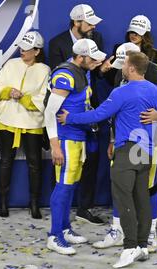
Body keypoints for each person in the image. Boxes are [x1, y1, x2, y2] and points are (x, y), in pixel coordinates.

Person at [57, 51, 157, 268]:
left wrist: (70, 117)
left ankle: (129, 248)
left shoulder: (122, 92)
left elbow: (98, 115)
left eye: (125, 64)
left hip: (126, 152)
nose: (122, 67)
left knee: (124, 199)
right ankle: (142, 246)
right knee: (142, 198)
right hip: (146, 152)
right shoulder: (156, 91)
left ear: (132, 69)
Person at [92, 42, 157, 253]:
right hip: (124, 141)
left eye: (122, 64)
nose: (120, 69)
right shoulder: (122, 73)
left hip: (148, 141)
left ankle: (150, 233)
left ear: (131, 63)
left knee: (148, 188)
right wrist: (112, 140)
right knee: (121, 187)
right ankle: (117, 230)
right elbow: (118, 110)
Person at [49, 3, 111, 225]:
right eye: (89, 23)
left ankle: (73, 219)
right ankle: (58, 231)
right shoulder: (64, 66)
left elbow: (95, 75)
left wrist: (101, 70)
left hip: (86, 116)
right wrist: (55, 144)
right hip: (68, 126)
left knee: (80, 170)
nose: (93, 27)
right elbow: (53, 109)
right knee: (65, 181)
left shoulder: (94, 43)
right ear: (76, 23)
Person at [44, 38, 106, 255]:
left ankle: (64, 227)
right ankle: (54, 235)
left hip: (78, 136)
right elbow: (49, 113)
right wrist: (55, 145)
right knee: (63, 184)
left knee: (70, 184)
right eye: (92, 58)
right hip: (66, 139)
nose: (95, 62)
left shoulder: (81, 71)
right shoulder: (65, 75)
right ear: (81, 57)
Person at [0, 31, 50, 218]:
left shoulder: (44, 70)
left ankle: (34, 203)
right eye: (21, 47)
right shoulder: (11, 64)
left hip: (32, 122)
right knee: (5, 162)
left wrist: (26, 100)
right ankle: (3, 202)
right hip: (7, 120)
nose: (22, 51)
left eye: (27, 49)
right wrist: (8, 91)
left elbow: (45, 95)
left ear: (37, 51)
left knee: (35, 164)